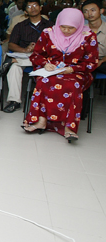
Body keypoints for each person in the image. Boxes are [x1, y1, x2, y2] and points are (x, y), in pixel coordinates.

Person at [23, 8, 98, 142]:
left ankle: (69, 128)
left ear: (79, 25)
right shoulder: (48, 33)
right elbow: (36, 55)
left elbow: (91, 62)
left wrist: (72, 69)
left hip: (76, 73)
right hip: (51, 70)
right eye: (63, 27)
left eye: (71, 28)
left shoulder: (88, 36)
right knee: (43, 82)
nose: (66, 31)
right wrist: (45, 64)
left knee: (72, 85)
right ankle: (41, 121)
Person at [2, 0, 54, 113]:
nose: (33, 8)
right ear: (25, 11)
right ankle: (14, 101)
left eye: (35, 5)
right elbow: (11, 45)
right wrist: (25, 50)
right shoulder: (20, 26)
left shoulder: (50, 26)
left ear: (41, 8)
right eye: (29, 6)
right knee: (14, 68)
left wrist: (38, 48)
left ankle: (13, 60)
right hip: (25, 55)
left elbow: (56, 45)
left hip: (44, 57)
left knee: (15, 62)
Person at [82, 0, 106, 73]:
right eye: (86, 11)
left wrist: (102, 61)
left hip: (103, 60)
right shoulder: (81, 30)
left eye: (93, 10)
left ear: (101, 11)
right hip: (86, 61)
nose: (89, 14)